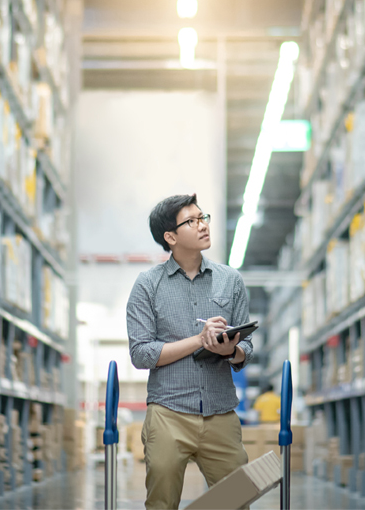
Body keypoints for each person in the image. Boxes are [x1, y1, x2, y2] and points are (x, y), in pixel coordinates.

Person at [127, 194, 254, 510]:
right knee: (161, 503)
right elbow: (142, 354)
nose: (203, 226)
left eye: (203, 218)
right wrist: (199, 340)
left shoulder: (230, 280)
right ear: (170, 237)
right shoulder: (147, 286)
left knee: (238, 501)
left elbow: (246, 350)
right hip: (168, 413)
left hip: (220, 412)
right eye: (192, 221)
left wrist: (230, 350)